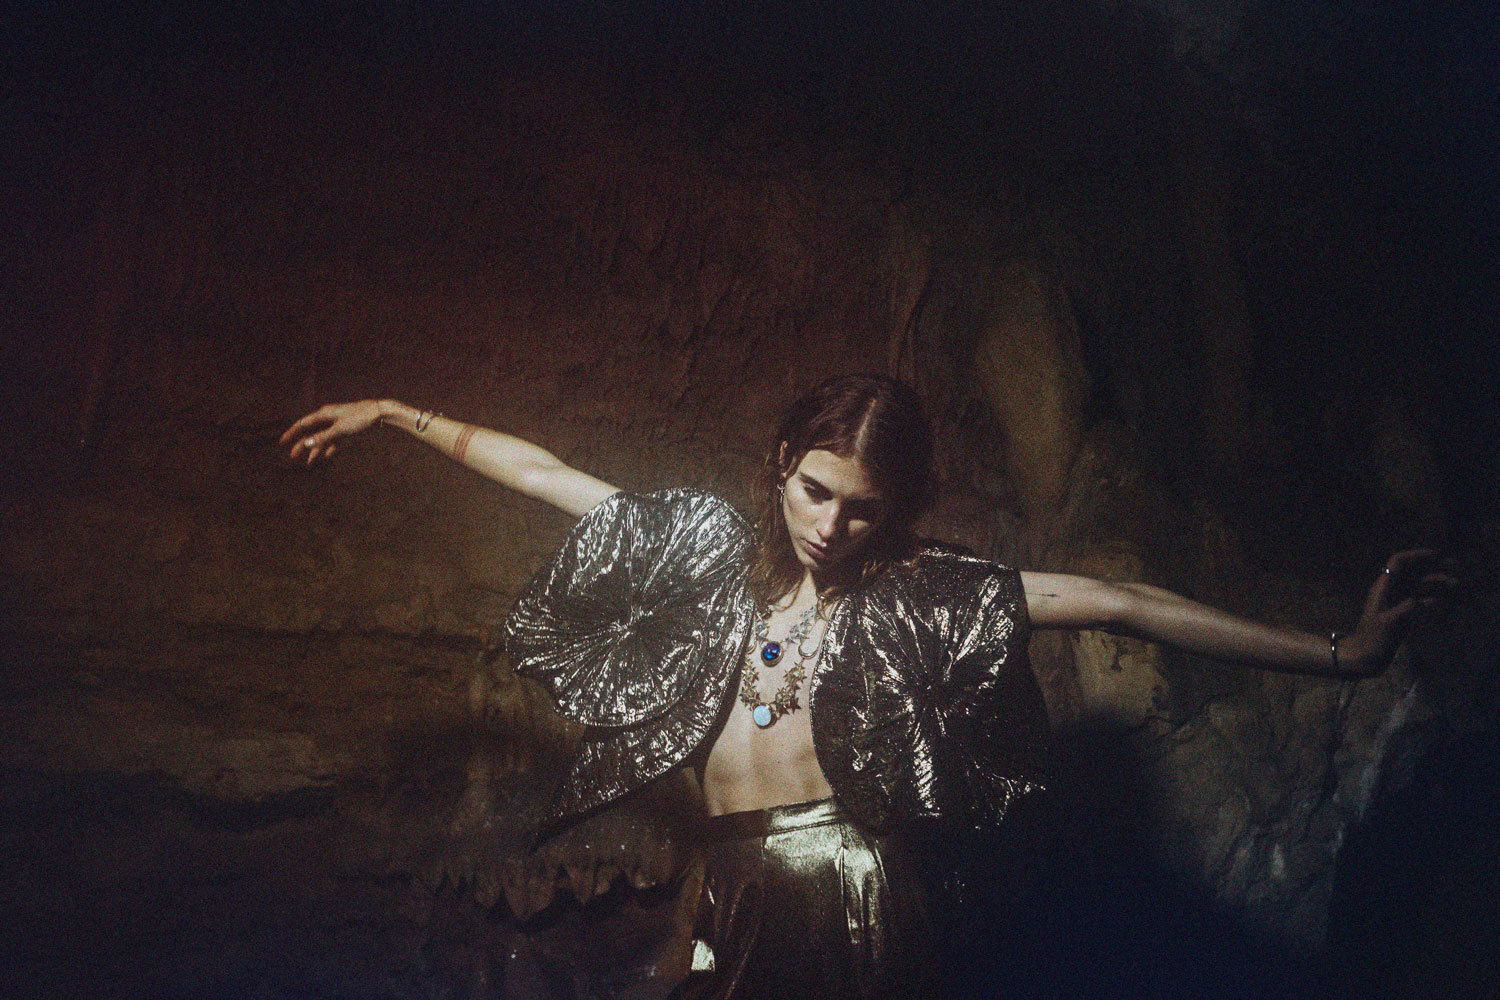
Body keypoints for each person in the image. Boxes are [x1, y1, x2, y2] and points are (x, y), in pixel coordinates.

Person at [281, 376, 1447, 999]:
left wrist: (1344, 652)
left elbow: (1118, 600)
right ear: (781, 468)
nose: (831, 525)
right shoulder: (710, 565)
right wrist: (395, 414)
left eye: (862, 508)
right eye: (815, 490)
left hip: (855, 884)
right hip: (735, 881)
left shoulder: (920, 593)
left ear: (894, 513)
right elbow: (544, 474)